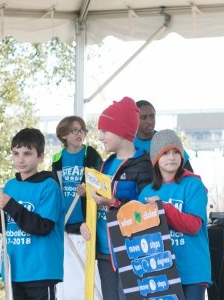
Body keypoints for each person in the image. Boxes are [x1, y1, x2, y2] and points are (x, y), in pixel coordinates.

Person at [80, 97, 153, 300]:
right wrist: (87, 225)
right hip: (104, 252)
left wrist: (113, 203)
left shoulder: (144, 165)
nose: (100, 136)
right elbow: (96, 204)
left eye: (105, 130)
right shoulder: (106, 164)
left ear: (121, 131)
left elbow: (147, 213)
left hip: (130, 253)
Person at [0, 128, 65, 299]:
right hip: (14, 268)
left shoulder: (49, 186)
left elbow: (43, 227)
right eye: (16, 153)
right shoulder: (10, 186)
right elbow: (10, 228)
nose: (20, 159)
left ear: (40, 156)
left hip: (40, 271)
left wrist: (11, 205)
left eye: (27, 153)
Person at [137, 129, 212, 300]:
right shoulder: (146, 193)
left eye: (176, 152)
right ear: (156, 158)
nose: (171, 157)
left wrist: (163, 208)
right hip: (160, 272)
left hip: (193, 271)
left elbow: (193, 226)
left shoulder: (194, 185)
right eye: (165, 153)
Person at [51, 116, 103, 232]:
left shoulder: (90, 154)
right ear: (63, 134)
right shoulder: (57, 158)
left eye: (82, 130)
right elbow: (55, 188)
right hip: (64, 219)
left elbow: (102, 184)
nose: (79, 134)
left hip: (85, 220)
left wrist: (87, 193)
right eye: (74, 130)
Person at [134, 100, 194, 172]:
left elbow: (190, 172)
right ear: (134, 119)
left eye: (152, 116)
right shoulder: (128, 144)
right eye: (144, 117)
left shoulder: (167, 140)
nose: (150, 121)